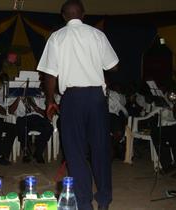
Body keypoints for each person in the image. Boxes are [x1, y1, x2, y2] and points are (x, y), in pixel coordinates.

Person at [37, 1, 119, 209]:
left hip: (72, 98)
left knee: (75, 152)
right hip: (96, 98)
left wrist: (49, 101)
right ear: (83, 14)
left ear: (63, 16)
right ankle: (104, 200)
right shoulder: (97, 35)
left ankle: (84, 203)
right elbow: (114, 66)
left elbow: (49, 73)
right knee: (100, 148)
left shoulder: (56, 37)